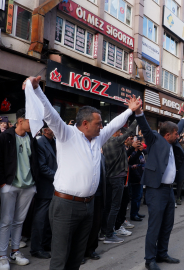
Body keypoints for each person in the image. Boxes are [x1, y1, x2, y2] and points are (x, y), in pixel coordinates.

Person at [23, 76, 140, 270]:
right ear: (85, 124)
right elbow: (50, 113)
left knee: (77, 257)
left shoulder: (97, 139)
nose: (102, 126)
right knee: (60, 258)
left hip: (88, 206)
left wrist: (130, 110)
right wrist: (36, 90)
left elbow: (115, 124)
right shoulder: (66, 134)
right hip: (66, 205)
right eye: (98, 123)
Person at [135, 104, 184, 270]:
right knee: (155, 225)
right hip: (156, 190)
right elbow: (144, 127)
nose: (179, 136)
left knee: (167, 223)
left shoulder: (171, 140)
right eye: (176, 134)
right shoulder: (154, 139)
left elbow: (178, 127)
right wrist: (138, 112)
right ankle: (150, 259)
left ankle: (162, 253)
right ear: (168, 135)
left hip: (168, 190)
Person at [0, 108, 39, 268]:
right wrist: (3, 182)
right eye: (31, 121)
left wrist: (34, 183)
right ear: (20, 120)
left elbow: (34, 161)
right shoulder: (5, 136)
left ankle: (15, 251)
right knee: (5, 221)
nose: (33, 125)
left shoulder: (31, 138)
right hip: (10, 185)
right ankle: (2, 255)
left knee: (19, 221)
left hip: (28, 185)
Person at [101, 120, 138, 244]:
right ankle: (109, 235)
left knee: (108, 206)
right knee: (115, 207)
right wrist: (137, 116)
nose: (120, 132)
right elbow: (130, 131)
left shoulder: (105, 142)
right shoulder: (115, 141)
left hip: (109, 177)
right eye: (118, 130)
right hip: (117, 178)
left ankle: (104, 231)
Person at [30, 124, 57, 260]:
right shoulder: (40, 143)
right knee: (40, 219)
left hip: (54, 186)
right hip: (45, 186)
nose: (55, 129)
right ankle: (36, 248)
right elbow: (42, 167)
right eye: (52, 127)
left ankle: (46, 243)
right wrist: (58, 177)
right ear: (45, 130)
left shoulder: (55, 142)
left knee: (49, 218)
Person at [83, 152, 106, 263]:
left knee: (96, 223)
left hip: (98, 194)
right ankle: (79, 252)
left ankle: (91, 249)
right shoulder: (81, 152)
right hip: (84, 195)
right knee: (82, 226)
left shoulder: (100, 154)